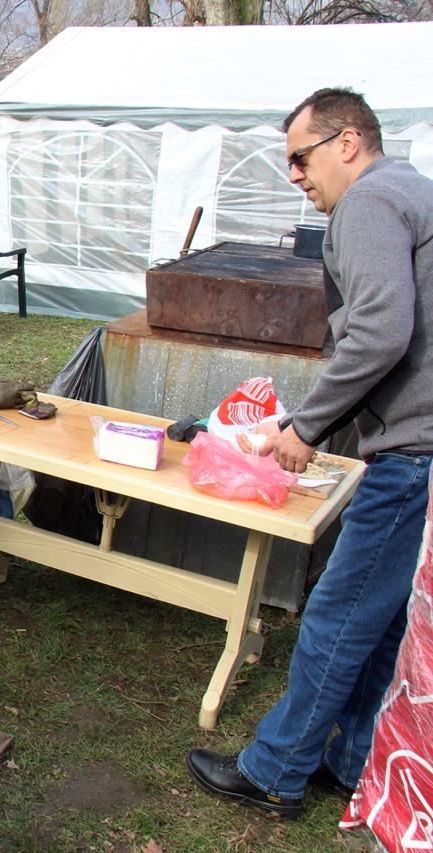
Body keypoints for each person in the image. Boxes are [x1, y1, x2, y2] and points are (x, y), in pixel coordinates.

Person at [186, 87, 433, 821]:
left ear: (348, 142)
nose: (296, 174)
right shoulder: (413, 189)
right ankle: (349, 755)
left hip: (412, 452)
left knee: (336, 611)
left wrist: (304, 429)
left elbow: (382, 330)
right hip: (424, 444)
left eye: (302, 157)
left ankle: (275, 770)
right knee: (381, 615)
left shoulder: (367, 202)